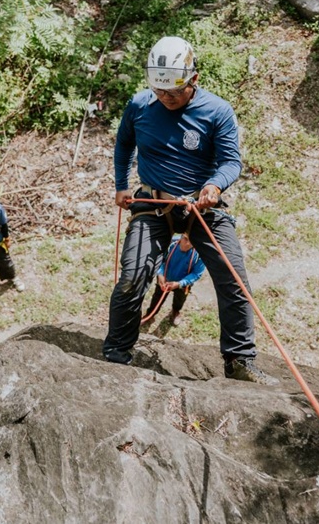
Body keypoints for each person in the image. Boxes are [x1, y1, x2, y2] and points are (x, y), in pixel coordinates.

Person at [103, 35, 279, 385]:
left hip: (201, 204)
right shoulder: (140, 105)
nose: (165, 98)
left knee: (234, 279)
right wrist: (122, 185)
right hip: (154, 202)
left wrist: (214, 185)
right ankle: (116, 352)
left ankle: (239, 359)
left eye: (173, 92)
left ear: (193, 79)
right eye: (159, 91)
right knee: (133, 275)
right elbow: (124, 145)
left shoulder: (217, 111)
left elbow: (231, 162)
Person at [143, 233, 205, 327]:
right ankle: (150, 314)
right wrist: (160, 273)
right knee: (157, 298)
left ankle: (175, 311)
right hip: (164, 279)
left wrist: (180, 283)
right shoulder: (169, 243)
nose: (187, 244)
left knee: (180, 300)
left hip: (183, 284)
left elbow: (196, 273)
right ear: (181, 235)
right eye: (185, 239)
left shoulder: (200, 253)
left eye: (192, 241)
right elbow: (159, 259)